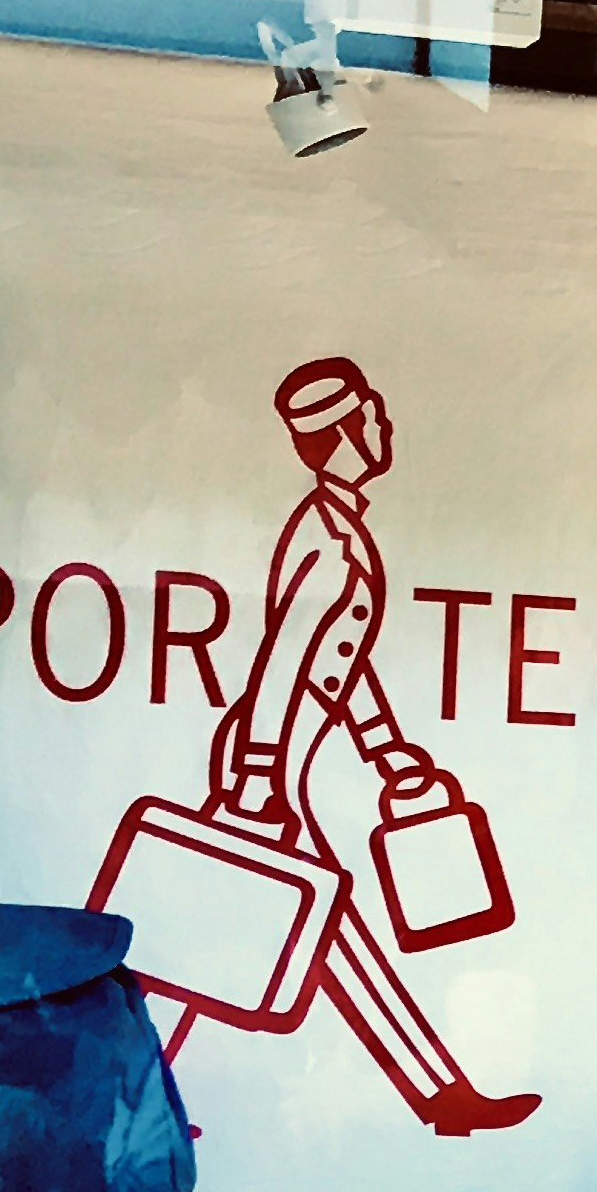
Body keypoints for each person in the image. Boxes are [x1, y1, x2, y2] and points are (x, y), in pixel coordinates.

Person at [202, 357, 537, 1136]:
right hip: (269, 752)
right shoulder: (325, 536)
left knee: (305, 924)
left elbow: (342, 660)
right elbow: (284, 659)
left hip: (283, 751)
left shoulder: (341, 524)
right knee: (227, 930)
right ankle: (129, 1099)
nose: (386, 427)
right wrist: (257, 776)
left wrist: (385, 749)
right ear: (345, 433)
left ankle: (440, 1095)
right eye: (374, 415)